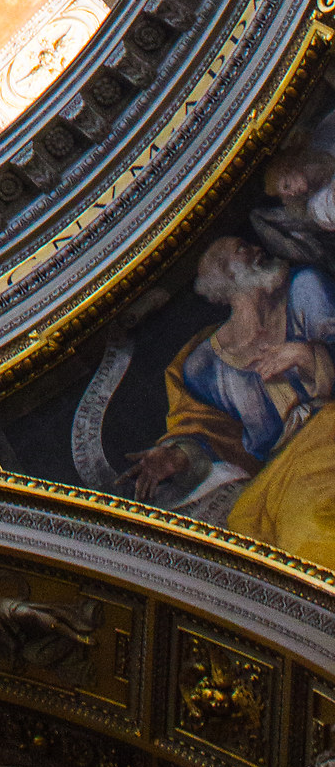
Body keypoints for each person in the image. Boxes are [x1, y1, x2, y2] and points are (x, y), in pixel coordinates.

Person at [128, 235, 335, 565]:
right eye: (242, 249)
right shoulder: (203, 366)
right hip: (282, 461)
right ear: (222, 277)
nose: (257, 249)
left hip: (329, 427)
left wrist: (308, 355)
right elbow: (208, 431)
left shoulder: (305, 290)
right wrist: (178, 456)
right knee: (246, 527)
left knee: (306, 525)